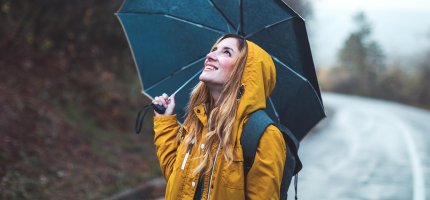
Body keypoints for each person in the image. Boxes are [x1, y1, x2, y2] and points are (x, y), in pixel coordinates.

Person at [152, 34, 286, 200]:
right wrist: (165, 121)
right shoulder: (199, 121)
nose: (209, 56)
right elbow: (176, 179)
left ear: (245, 72)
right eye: (213, 50)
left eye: (226, 52)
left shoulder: (263, 136)